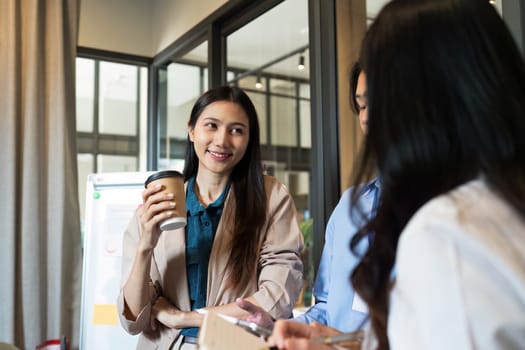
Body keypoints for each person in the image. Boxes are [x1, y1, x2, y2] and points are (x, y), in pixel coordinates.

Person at [270, 0, 525, 349]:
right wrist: (350, 341)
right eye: (361, 104)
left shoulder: (446, 230)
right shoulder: (501, 201)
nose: (368, 117)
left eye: (382, 96)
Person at [117, 85, 304, 349]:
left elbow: (276, 297)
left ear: (249, 139)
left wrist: (187, 318)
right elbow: (133, 321)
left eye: (237, 130)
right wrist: (145, 246)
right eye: (211, 126)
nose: (222, 140)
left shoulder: (271, 197)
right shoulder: (158, 204)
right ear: (192, 130)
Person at [237, 61, 377, 333]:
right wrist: (275, 327)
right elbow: (325, 307)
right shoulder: (351, 205)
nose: (366, 117)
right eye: (361, 105)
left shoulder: (445, 210)